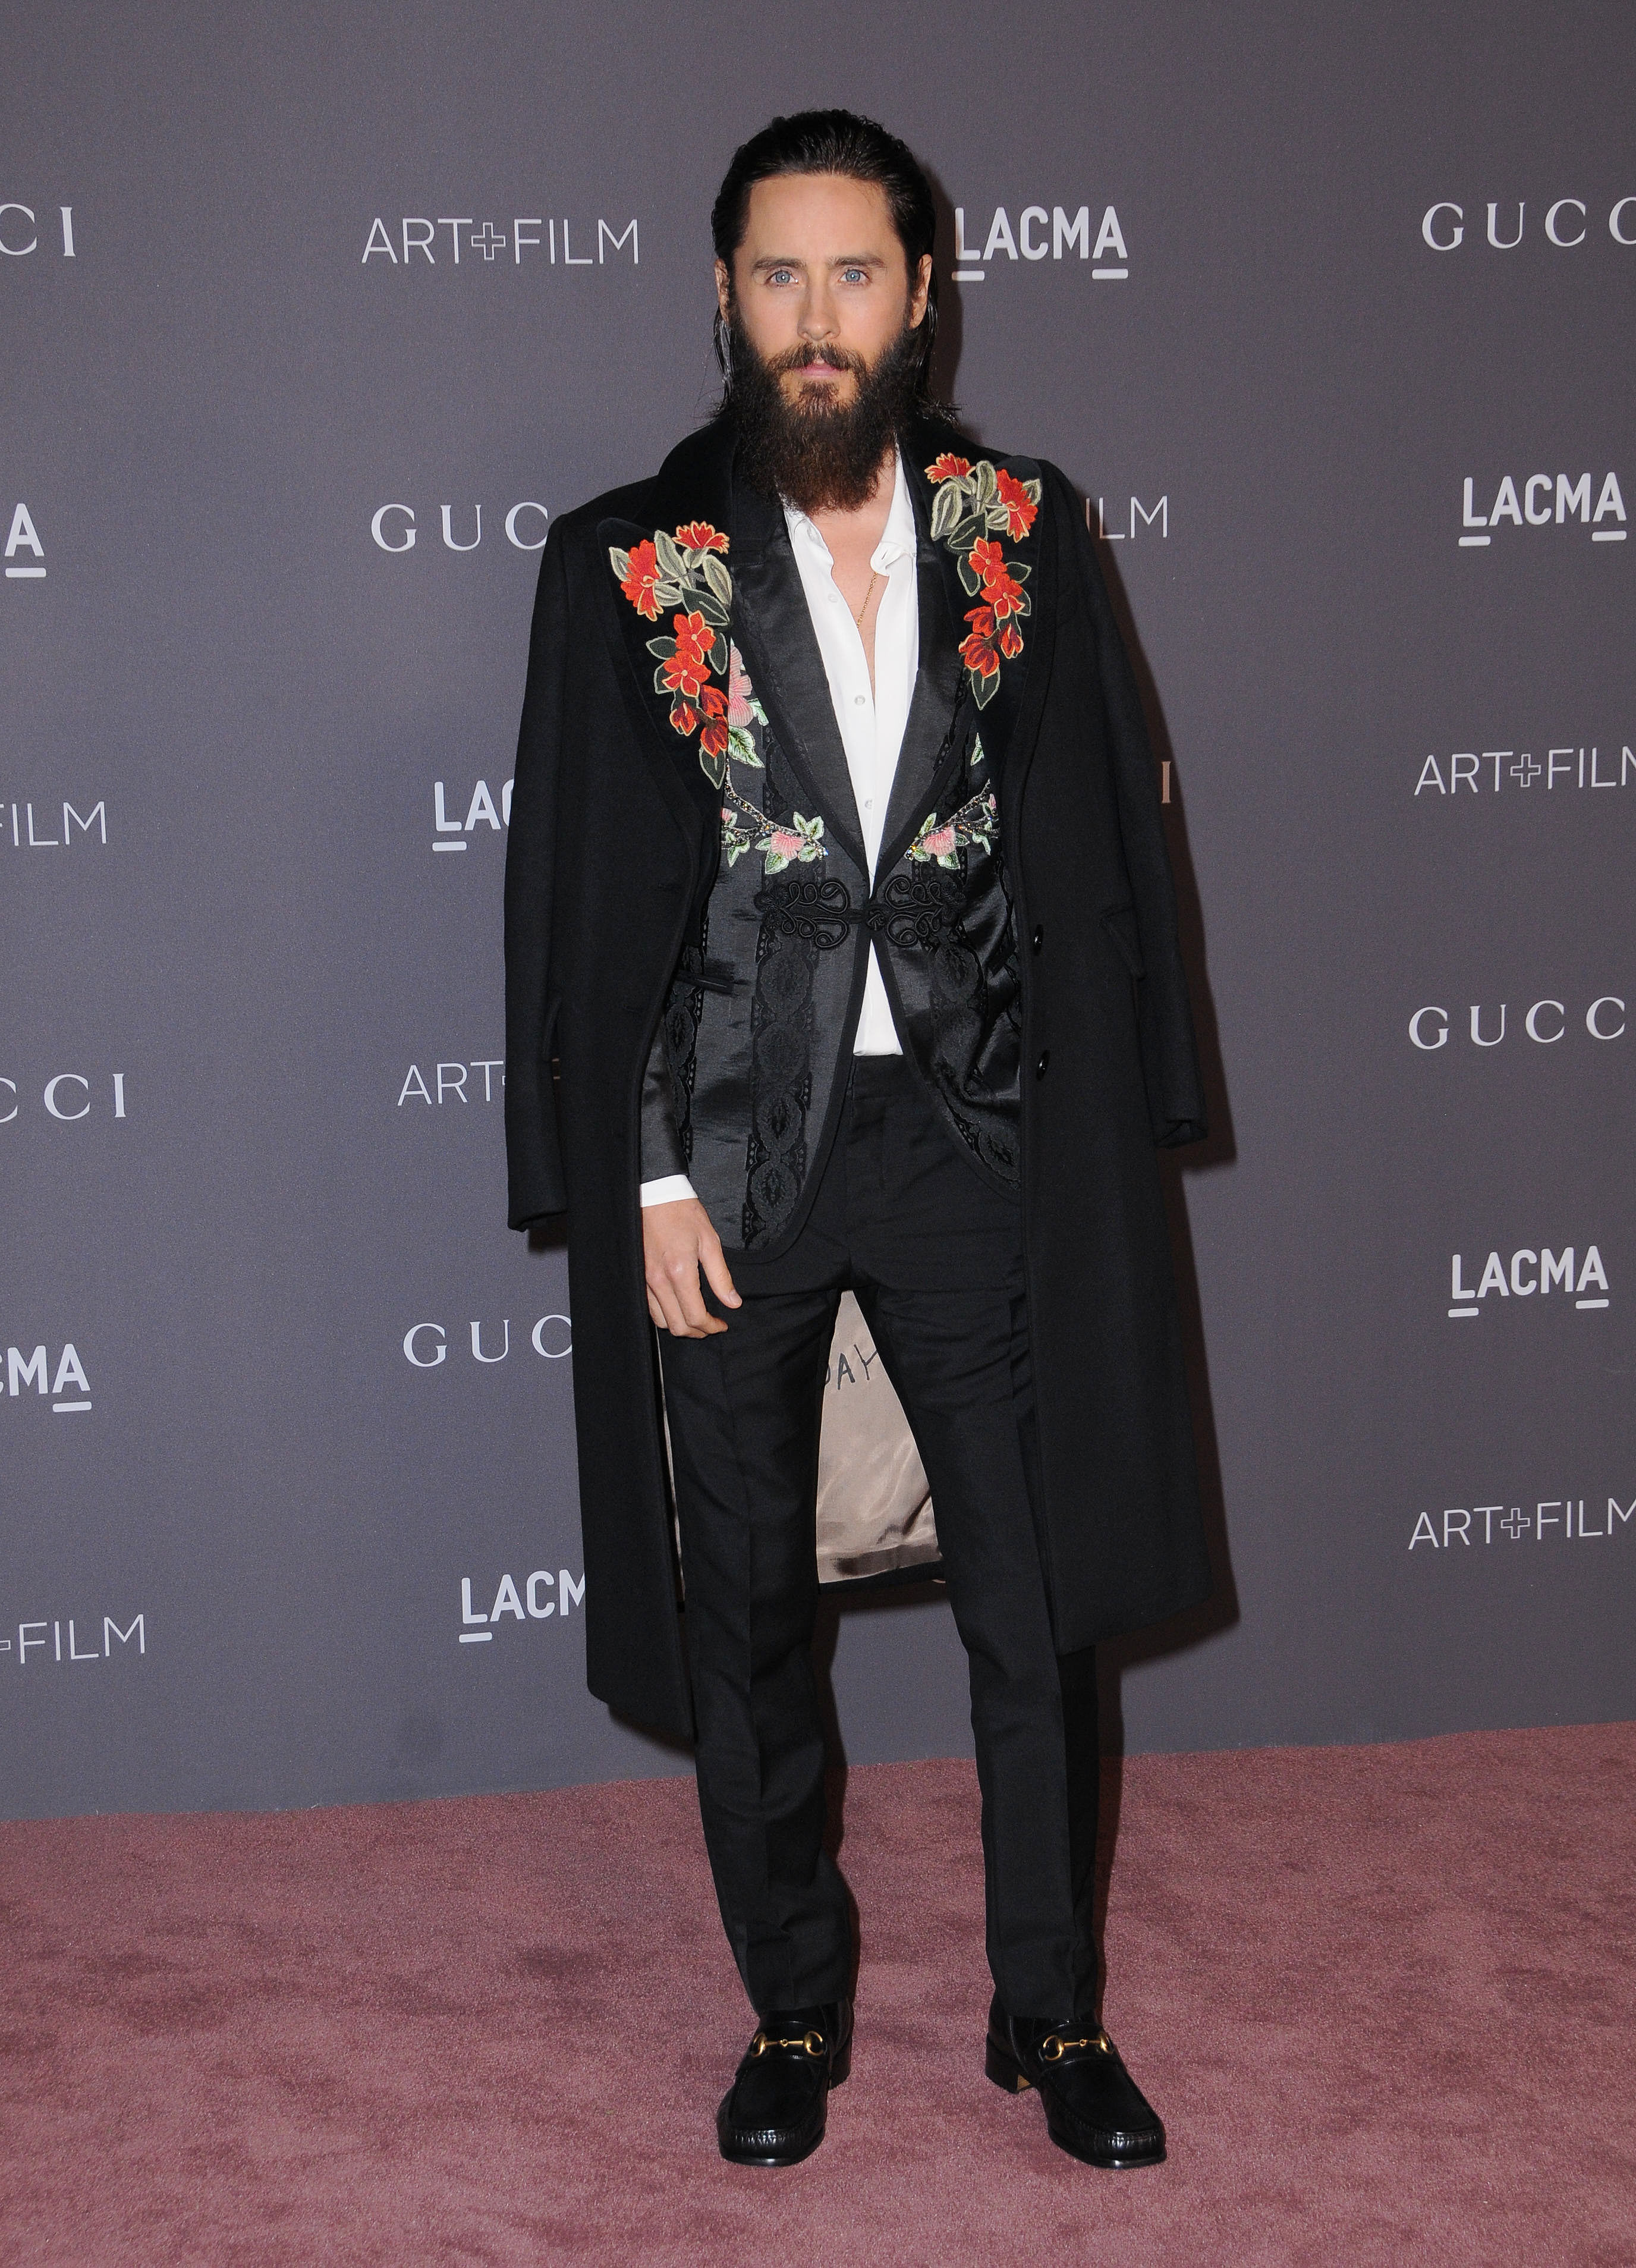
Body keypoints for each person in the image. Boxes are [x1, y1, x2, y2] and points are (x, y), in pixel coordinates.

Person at [504, 109, 1209, 2171]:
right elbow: (588, 900)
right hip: (732, 1159)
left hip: (979, 1140)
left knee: (1034, 1603)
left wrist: (1107, 1130)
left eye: (857, 275)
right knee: (742, 1605)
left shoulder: (1022, 527)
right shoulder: (626, 561)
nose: (818, 319)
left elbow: (1097, 846)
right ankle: (793, 2003)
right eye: (779, 276)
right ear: (724, 300)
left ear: (924, 300)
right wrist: (641, 1167)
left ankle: (1050, 2014)